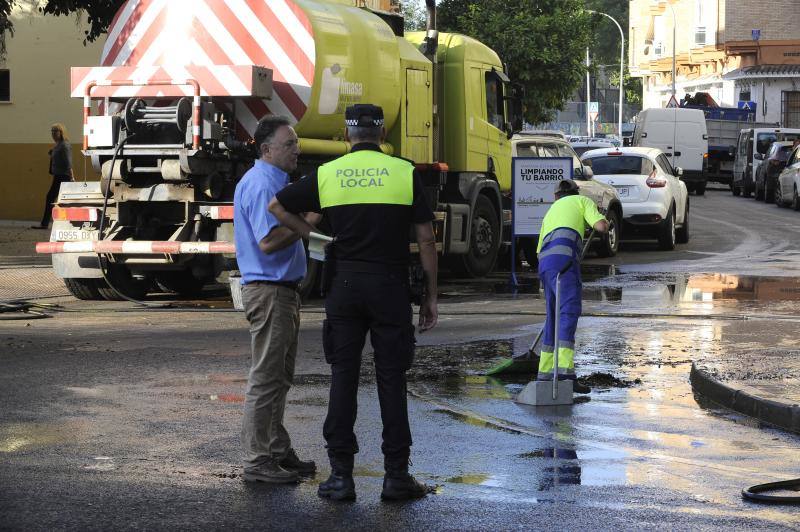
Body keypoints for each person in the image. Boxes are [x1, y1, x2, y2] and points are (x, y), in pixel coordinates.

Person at [269, 104, 439, 501]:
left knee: (343, 378)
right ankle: (396, 476)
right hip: (390, 286)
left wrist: (317, 240)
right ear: (381, 136)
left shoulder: (328, 174)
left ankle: (341, 477)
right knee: (391, 379)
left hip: (344, 284)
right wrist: (430, 297)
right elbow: (427, 240)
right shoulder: (404, 172)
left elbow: (277, 205)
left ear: (347, 136)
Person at [234, 115, 319, 484]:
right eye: (289, 144)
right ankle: (258, 461)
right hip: (269, 291)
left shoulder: (275, 182)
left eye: (296, 142)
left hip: (280, 292)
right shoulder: (260, 185)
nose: (296, 149)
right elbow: (267, 243)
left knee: (279, 378)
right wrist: (308, 223)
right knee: (267, 379)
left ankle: (276, 449)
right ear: (266, 149)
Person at [535, 179, 608, 395]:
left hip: (545, 265)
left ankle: (546, 373)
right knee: (568, 312)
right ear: (575, 192)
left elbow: (539, 250)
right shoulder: (582, 200)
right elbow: (601, 226)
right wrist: (603, 219)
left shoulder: (551, 211)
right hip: (565, 262)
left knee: (553, 317)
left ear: (557, 196)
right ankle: (565, 375)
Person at [32, 123, 74, 229]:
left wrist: (72, 177)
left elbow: (68, 162)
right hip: (58, 176)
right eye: (52, 131)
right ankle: (49, 223)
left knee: (52, 197)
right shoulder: (59, 145)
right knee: (58, 198)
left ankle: (45, 223)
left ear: (61, 132)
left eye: (56, 131)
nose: (53, 134)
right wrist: (52, 153)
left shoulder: (64, 145)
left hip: (63, 176)